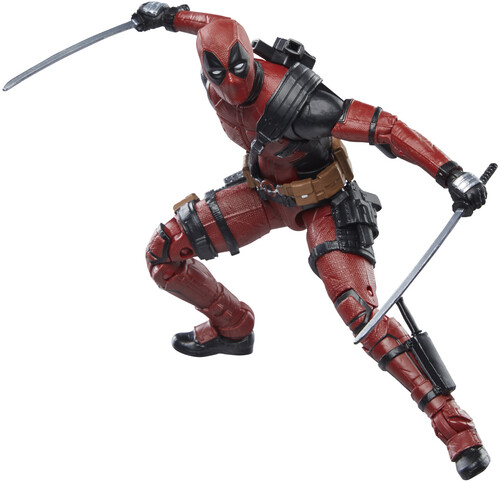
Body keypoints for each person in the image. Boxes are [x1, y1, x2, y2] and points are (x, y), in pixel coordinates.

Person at [133, 3, 489, 478]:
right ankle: (234, 328)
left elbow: (385, 127)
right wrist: (166, 15)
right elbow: (204, 25)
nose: (230, 80)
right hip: (265, 193)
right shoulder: (210, 73)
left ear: (250, 57)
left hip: (327, 201)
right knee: (164, 252)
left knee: (361, 313)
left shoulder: (300, 103)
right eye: (217, 71)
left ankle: (456, 429)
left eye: (238, 66)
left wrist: (451, 174)